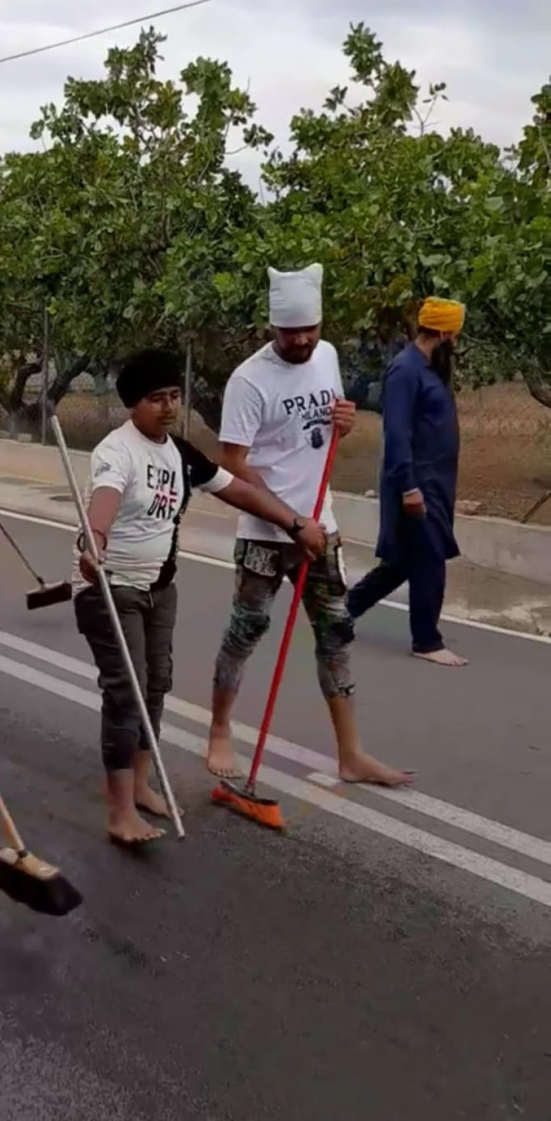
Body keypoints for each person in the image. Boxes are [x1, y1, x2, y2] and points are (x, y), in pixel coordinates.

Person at [73, 348, 326, 845]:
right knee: (127, 692)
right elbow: (104, 500)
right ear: (133, 404)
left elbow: (238, 491)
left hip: (159, 588)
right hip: (111, 586)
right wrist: (94, 539)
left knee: (156, 685)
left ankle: (140, 784)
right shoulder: (116, 452)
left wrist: (295, 523)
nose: (168, 407)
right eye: (156, 398)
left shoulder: (181, 453)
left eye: (173, 396)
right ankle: (119, 811)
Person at [206, 263, 412, 788]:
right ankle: (220, 729)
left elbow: (322, 433)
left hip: (322, 527)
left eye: (310, 329)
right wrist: (291, 521)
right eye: (290, 332)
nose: (301, 340)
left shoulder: (327, 356)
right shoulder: (248, 380)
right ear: (271, 327)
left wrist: (344, 424)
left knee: (336, 634)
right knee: (246, 629)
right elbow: (233, 465)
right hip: (266, 532)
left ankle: (351, 754)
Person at [347, 298, 467, 667]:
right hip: (416, 481)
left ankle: (341, 611)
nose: (456, 343)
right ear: (442, 334)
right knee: (429, 559)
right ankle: (427, 641)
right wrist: (409, 488)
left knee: (401, 562)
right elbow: (396, 434)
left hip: (436, 482)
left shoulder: (432, 369)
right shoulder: (405, 370)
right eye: (455, 336)